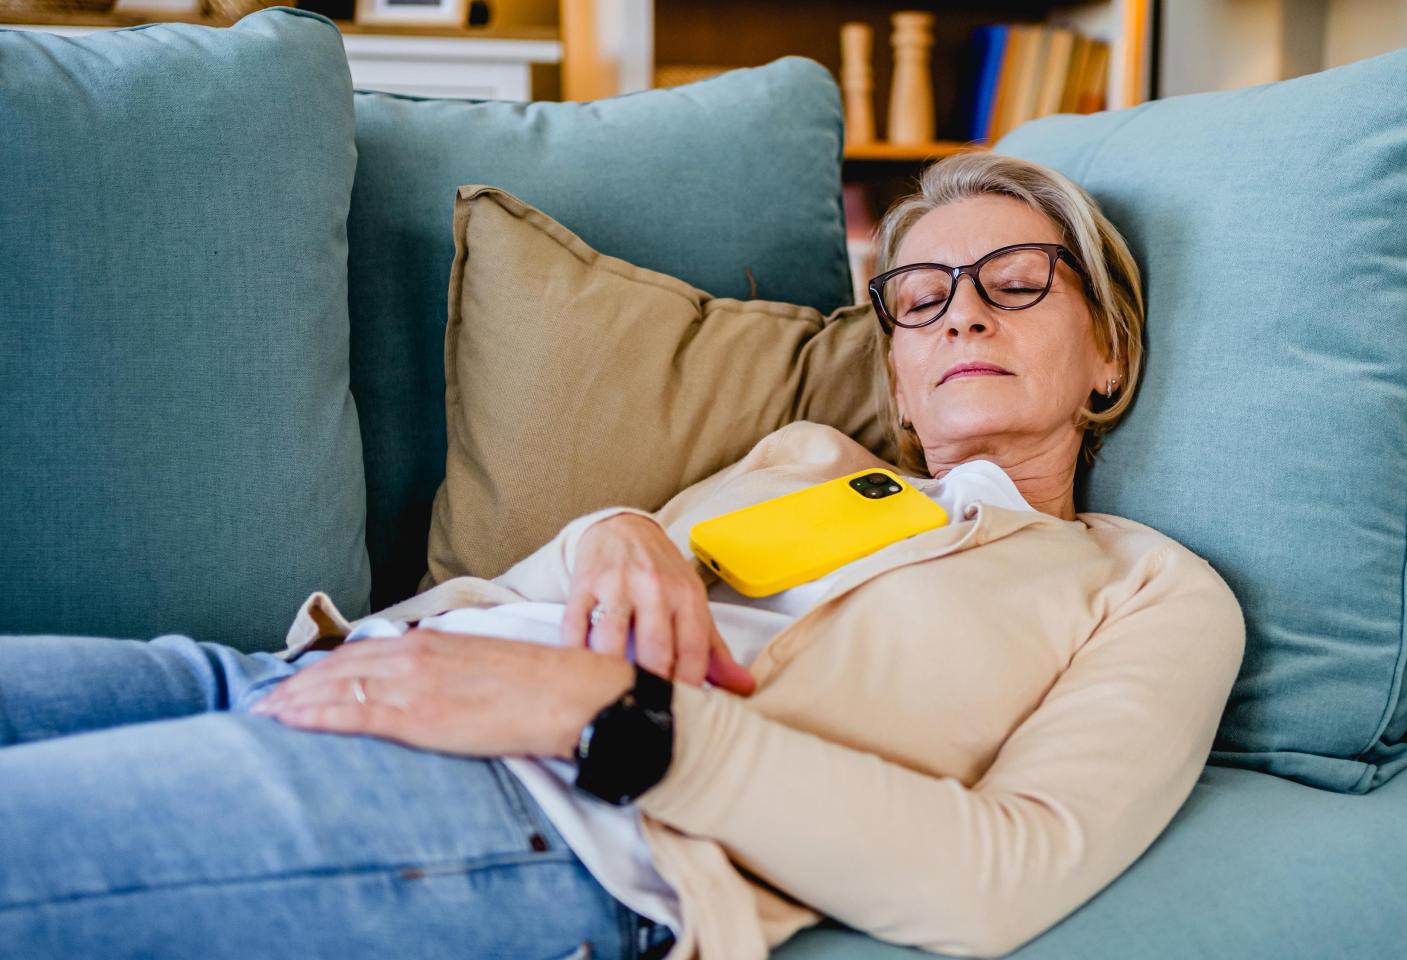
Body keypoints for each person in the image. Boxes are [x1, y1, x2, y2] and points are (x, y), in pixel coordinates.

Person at [0, 152, 1246, 960]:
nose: (959, 309)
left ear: (1108, 356)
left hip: (539, 814)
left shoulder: (1146, 590)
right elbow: (552, 591)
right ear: (901, 380)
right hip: (298, 671)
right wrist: (617, 529)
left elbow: (998, 877)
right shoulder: (811, 453)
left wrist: (626, 720)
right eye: (917, 297)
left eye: (1015, 281)